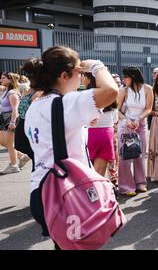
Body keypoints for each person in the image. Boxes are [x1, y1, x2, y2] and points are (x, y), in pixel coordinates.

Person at [22, 46, 118, 247]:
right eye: (79, 71)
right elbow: (111, 91)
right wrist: (96, 67)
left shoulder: (35, 106)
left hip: (41, 191)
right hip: (66, 191)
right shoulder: (66, 103)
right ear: (65, 75)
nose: (82, 76)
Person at [117, 67, 153, 196]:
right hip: (125, 124)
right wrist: (126, 120)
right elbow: (118, 110)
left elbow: (149, 108)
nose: (123, 79)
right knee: (124, 157)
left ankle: (140, 183)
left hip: (140, 124)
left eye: (125, 77)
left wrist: (139, 119)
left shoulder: (148, 89)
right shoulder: (123, 90)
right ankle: (126, 186)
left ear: (132, 77)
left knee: (140, 154)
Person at [83, 73, 118, 186]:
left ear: (89, 79)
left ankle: (89, 199)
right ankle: (99, 198)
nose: (82, 78)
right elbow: (115, 118)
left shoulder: (85, 95)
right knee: (99, 174)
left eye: (84, 76)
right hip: (106, 133)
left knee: (87, 171)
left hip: (89, 133)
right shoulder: (110, 94)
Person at [0, 72, 22, 174]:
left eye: (3, 78)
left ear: (10, 80)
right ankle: (22, 156)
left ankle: (13, 165)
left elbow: (15, 109)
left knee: (10, 144)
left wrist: (12, 122)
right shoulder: (6, 91)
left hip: (10, 119)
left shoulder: (12, 93)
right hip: (4, 118)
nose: (1, 80)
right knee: (4, 141)